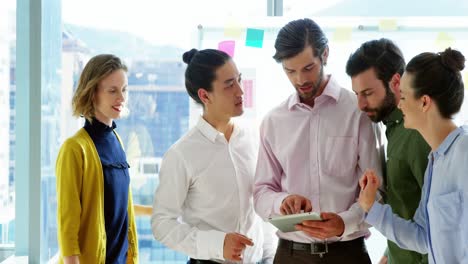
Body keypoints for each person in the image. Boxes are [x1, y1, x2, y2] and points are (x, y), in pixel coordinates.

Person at [253, 18, 381, 264]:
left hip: (348, 254)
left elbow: (378, 191)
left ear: (325, 54)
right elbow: (261, 193)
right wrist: (282, 202)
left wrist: (344, 223)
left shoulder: (358, 112)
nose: (300, 79)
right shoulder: (273, 122)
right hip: (290, 255)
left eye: (308, 67)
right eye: (290, 71)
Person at [151, 48, 276, 264]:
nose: (240, 91)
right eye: (229, 85)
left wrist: (269, 256)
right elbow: (162, 224)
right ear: (204, 95)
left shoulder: (253, 138)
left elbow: (259, 206)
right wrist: (217, 244)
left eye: (239, 80)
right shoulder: (181, 154)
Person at [359, 48, 468, 264]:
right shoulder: (435, 162)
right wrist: (372, 208)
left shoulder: (464, 152)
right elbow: (422, 237)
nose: (399, 104)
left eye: (404, 97)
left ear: (424, 102)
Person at [346, 38, 430, 264]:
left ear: (395, 82)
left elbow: (438, 228)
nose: (360, 105)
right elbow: (407, 207)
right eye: (356, 94)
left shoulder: (418, 133)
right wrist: (389, 254)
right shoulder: (392, 129)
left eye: (367, 93)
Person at [56, 54, 138, 263]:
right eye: (112, 91)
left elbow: (121, 208)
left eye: (124, 90)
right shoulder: (74, 149)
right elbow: (68, 221)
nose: (121, 98)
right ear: (92, 94)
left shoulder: (117, 141)